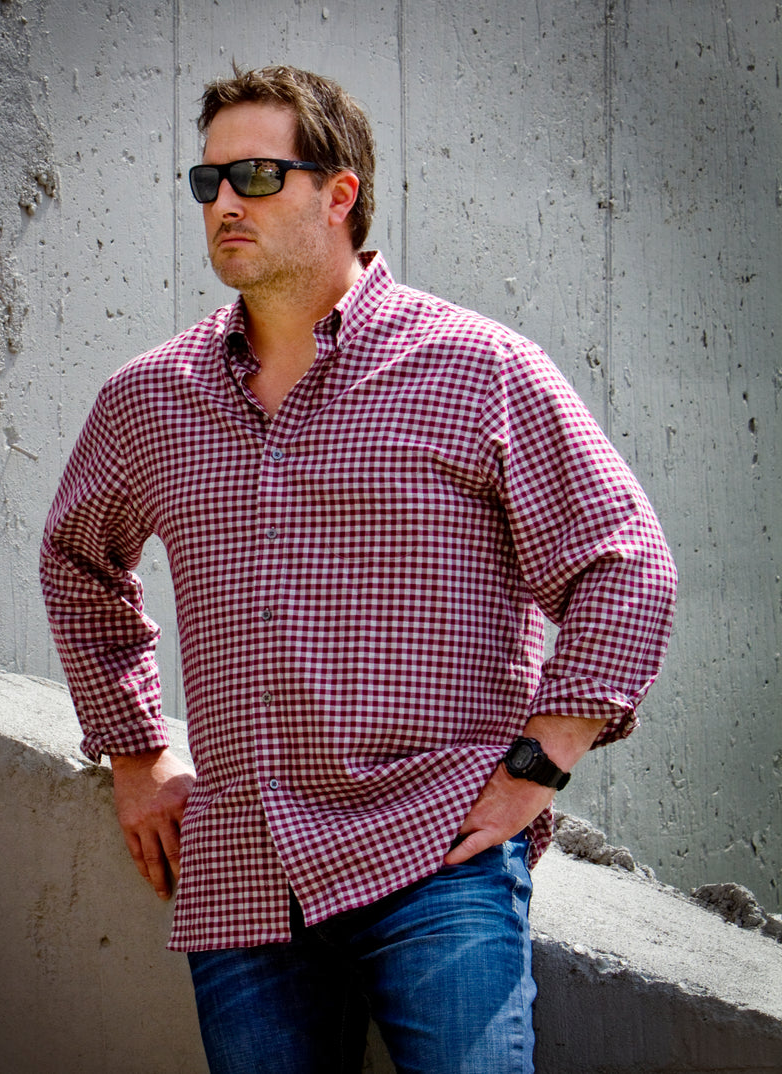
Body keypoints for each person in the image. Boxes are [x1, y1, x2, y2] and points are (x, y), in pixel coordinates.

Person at [40, 64, 677, 1074]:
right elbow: (78, 562)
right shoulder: (148, 401)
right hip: (240, 867)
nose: (225, 205)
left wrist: (540, 760)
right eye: (208, 183)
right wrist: (133, 750)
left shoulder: (480, 369)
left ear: (339, 194)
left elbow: (622, 561)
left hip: (438, 854)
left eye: (255, 175)